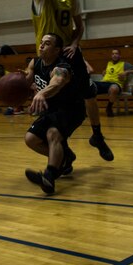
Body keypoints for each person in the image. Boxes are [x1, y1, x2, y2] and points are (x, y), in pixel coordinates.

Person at [21, 0, 113, 162]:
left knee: (88, 92)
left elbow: (79, 26)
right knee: (54, 102)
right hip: (48, 54)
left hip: (68, 51)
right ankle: (61, 153)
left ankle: (97, 135)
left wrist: (74, 44)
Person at [24, 34, 85, 194]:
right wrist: (19, 83)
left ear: (57, 50)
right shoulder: (34, 63)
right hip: (51, 109)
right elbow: (27, 78)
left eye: (47, 43)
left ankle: (49, 176)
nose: (41, 46)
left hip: (71, 109)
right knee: (31, 139)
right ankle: (65, 157)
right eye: (41, 43)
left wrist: (41, 93)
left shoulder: (62, 67)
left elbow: (57, 82)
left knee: (53, 134)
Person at [93, 49, 133, 117]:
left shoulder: (124, 64)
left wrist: (126, 72)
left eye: (116, 53)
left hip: (116, 84)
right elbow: (111, 71)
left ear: (119, 56)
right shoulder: (109, 63)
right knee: (89, 84)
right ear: (111, 56)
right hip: (104, 83)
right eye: (113, 54)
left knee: (113, 88)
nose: (114, 55)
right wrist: (104, 71)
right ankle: (86, 109)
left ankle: (109, 108)